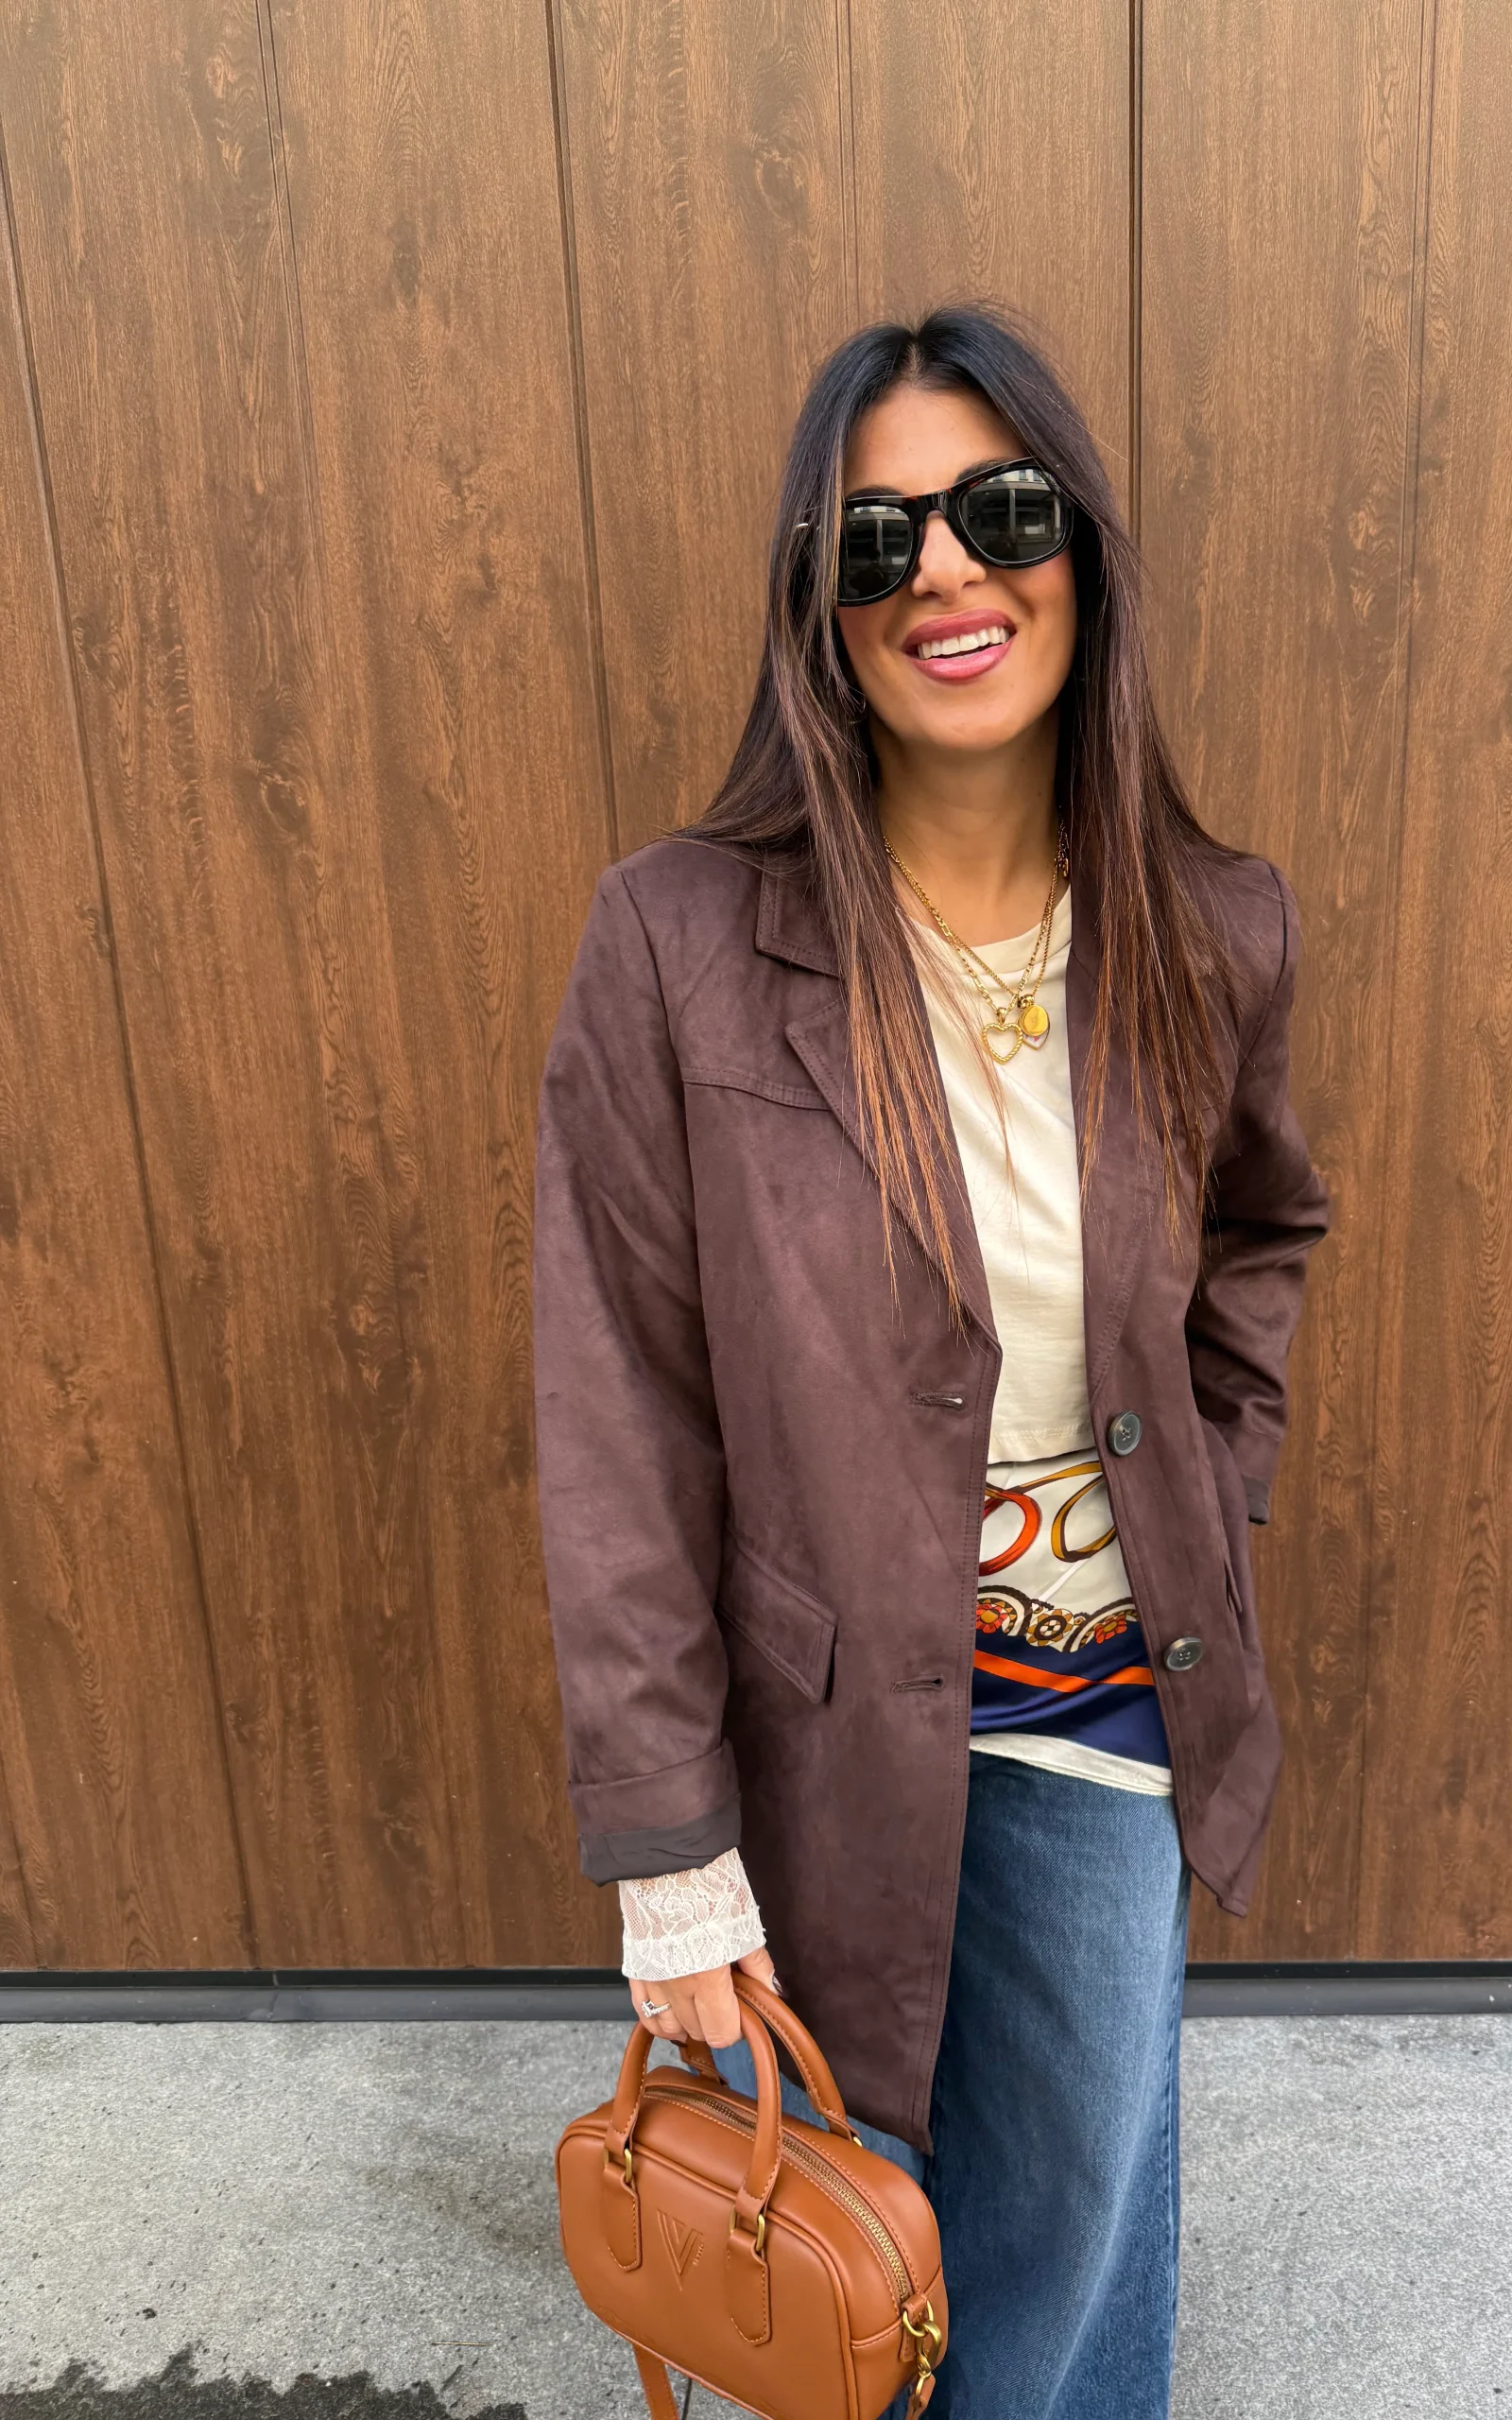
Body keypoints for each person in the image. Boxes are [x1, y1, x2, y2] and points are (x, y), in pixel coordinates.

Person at [533, 303, 1331, 2419]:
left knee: (1062, 2261)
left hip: (1096, 1689)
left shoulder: (1213, 929)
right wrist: (665, 1845)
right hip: (810, 1731)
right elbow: (619, 1406)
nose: (946, 575)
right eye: (877, 539)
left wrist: (1205, 1500)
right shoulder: (678, 943)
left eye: (1000, 510)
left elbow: (1264, 1234)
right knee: (827, 2268)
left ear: (1081, 544)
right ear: (821, 603)